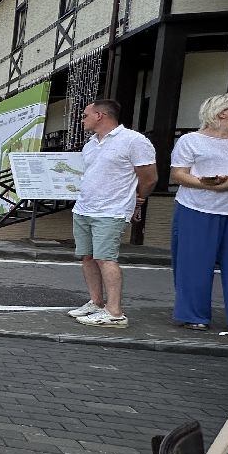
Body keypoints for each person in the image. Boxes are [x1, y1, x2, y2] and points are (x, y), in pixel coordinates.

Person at [168, 91, 228, 333]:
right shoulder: (190, 140)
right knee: (193, 264)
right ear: (222, 113)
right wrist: (208, 183)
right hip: (196, 209)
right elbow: (178, 174)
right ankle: (194, 316)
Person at [69, 99, 158, 328]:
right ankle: (97, 303)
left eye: (85, 115)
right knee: (87, 256)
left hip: (111, 210)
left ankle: (115, 312)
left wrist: (139, 198)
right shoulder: (90, 143)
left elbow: (149, 177)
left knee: (105, 258)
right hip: (84, 207)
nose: (82, 119)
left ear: (100, 115)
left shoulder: (134, 141)